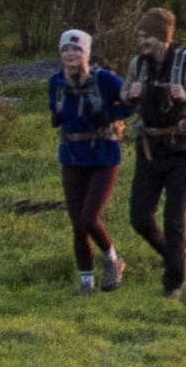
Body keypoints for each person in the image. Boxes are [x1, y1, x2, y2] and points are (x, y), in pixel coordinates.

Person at [117, 1, 186, 297]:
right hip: (149, 146)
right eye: (139, 36)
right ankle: (175, 257)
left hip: (182, 147)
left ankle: (173, 287)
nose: (141, 42)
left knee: (173, 218)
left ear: (163, 37)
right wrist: (130, 92)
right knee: (139, 217)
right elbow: (123, 94)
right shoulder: (137, 64)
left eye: (146, 37)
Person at [43, 26, 129, 289]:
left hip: (103, 154)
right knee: (76, 223)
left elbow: (133, 100)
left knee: (88, 217)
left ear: (86, 53)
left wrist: (112, 115)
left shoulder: (104, 80)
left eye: (76, 49)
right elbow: (54, 109)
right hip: (71, 156)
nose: (70, 54)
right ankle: (86, 283)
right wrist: (57, 116)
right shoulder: (56, 82)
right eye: (65, 49)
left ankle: (112, 259)